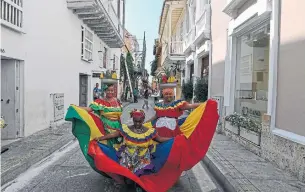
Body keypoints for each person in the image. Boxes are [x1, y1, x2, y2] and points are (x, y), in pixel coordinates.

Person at [66, 99, 219, 192]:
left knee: (141, 173)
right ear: (133, 120)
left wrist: (177, 140)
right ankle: (128, 180)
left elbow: (160, 139)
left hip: (143, 159)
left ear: (142, 119)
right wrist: (100, 138)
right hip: (127, 158)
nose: (138, 123)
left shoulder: (148, 130)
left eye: (140, 120)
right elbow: (114, 135)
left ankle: (138, 184)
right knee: (117, 165)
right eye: (136, 121)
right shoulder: (126, 129)